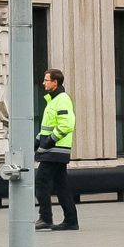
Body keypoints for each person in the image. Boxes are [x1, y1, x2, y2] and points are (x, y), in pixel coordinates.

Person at [33, 68, 78, 232]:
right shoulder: (53, 100)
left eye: (46, 80)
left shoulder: (62, 99)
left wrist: (49, 141)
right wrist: (38, 140)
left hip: (55, 150)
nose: (43, 82)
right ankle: (71, 220)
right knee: (61, 185)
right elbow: (48, 125)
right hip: (54, 150)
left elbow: (66, 124)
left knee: (41, 181)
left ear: (55, 82)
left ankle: (45, 218)